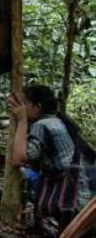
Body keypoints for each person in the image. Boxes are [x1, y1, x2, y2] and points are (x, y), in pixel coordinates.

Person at [10, 85, 95, 232]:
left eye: (25, 104)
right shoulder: (56, 121)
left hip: (74, 196)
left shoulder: (42, 125)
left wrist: (22, 120)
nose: (21, 108)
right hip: (86, 193)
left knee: (25, 174)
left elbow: (18, 159)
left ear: (38, 107)